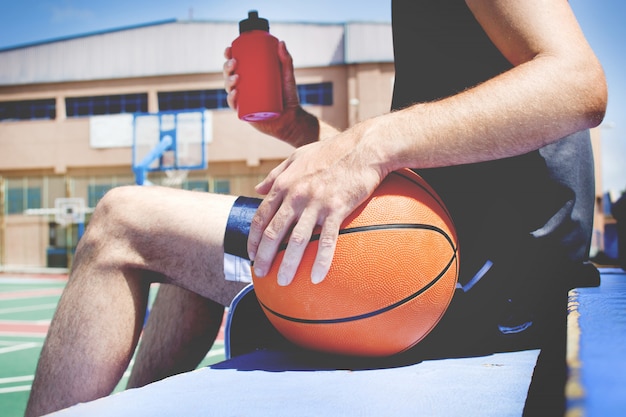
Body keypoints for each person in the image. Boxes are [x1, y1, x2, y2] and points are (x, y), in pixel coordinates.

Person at [25, 1, 607, 416]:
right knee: (201, 239)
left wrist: (367, 143)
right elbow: (426, 172)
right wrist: (298, 127)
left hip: (471, 282)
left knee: (120, 224)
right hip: (461, 266)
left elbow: (577, 83)